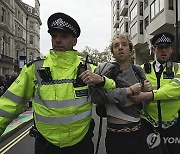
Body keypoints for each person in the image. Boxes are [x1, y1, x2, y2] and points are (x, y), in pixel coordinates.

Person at [0, 12, 115, 154]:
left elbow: (113, 90)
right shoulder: (34, 68)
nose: (58, 40)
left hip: (81, 144)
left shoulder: (89, 68)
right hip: (46, 145)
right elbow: (8, 105)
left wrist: (102, 81)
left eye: (64, 36)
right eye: (54, 36)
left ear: (74, 41)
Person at [93, 34, 152, 154]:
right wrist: (128, 92)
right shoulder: (104, 71)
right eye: (116, 46)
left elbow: (145, 100)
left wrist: (145, 91)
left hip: (138, 131)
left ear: (131, 51)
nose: (120, 48)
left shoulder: (138, 71)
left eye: (124, 45)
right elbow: (97, 96)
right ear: (113, 53)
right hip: (115, 135)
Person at [139, 32, 180, 154]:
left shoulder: (178, 68)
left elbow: (176, 88)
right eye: (160, 47)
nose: (163, 51)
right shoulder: (141, 69)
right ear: (153, 49)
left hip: (173, 126)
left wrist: (150, 95)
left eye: (167, 47)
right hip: (148, 125)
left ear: (171, 49)